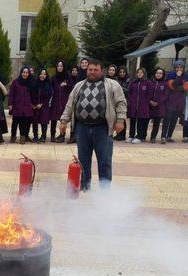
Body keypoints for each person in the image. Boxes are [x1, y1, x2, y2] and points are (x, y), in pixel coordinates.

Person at [59, 59, 126, 191]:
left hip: (102, 128)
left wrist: (120, 120)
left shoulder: (112, 85)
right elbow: (70, 104)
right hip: (82, 128)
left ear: (102, 71)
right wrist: (63, 121)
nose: (92, 72)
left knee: (105, 161)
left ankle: (105, 190)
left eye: (95, 70)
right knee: (83, 160)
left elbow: (121, 103)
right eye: (90, 70)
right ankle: (84, 186)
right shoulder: (79, 85)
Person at [162, 60, 188, 142]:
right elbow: (171, 86)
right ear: (174, 68)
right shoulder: (170, 75)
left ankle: (169, 136)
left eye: (181, 67)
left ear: (183, 68)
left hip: (179, 103)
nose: (179, 69)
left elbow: (186, 87)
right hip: (170, 102)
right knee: (167, 119)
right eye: (177, 67)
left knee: (174, 121)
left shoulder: (186, 76)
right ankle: (163, 136)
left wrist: (177, 87)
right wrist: (178, 78)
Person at [8, 67, 34, 144]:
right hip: (16, 106)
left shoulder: (30, 82)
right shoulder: (15, 82)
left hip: (26, 106)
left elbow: (33, 95)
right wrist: (10, 103)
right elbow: (11, 94)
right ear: (21, 73)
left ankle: (22, 137)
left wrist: (33, 104)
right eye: (23, 72)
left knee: (23, 123)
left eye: (27, 72)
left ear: (28, 74)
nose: (25, 74)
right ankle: (13, 136)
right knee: (15, 123)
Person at [126, 68, 152, 144]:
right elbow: (129, 93)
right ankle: (131, 135)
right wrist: (131, 101)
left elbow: (149, 94)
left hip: (142, 106)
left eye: (141, 72)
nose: (140, 74)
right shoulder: (133, 83)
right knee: (132, 121)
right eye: (138, 72)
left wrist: (145, 102)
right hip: (133, 106)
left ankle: (139, 136)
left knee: (140, 121)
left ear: (144, 73)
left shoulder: (147, 83)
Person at [50, 61, 72, 142]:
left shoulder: (67, 77)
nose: (60, 67)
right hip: (55, 100)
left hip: (64, 101)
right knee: (53, 118)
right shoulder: (54, 77)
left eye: (61, 66)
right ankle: (52, 135)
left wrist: (66, 85)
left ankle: (62, 135)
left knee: (63, 119)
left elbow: (71, 87)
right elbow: (50, 88)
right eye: (58, 66)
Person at [31, 68, 53, 143]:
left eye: (44, 74)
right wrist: (33, 104)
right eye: (41, 74)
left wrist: (42, 104)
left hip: (44, 106)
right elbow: (31, 95)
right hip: (35, 105)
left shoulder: (48, 84)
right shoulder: (35, 83)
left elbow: (49, 96)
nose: (42, 76)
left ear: (46, 75)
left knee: (44, 121)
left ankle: (43, 136)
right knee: (35, 121)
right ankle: (35, 136)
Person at [149, 68, 168, 143]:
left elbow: (166, 95)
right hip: (149, 106)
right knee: (144, 122)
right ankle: (141, 135)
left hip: (159, 107)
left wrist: (158, 103)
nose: (158, 74)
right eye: (157, 73)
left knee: (156, 123)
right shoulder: (151, 83)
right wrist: (150, 101)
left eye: (160, 73)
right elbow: (148, 93)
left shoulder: (165, 84)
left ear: (163, 75)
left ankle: (153, 137)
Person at [113, 66, 131, 141]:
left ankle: (122, 135)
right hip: (115, 101)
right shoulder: (116, 79)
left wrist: (119, 87)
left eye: (123, 72)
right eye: (120, 72)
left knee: (122, 118)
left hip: (124, 101)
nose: (122, 73)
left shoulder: (129, 80)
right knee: (117, 118)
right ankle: (118, 134)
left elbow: (128, 90)